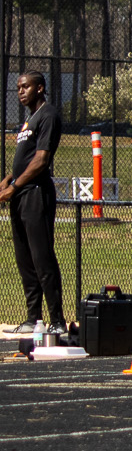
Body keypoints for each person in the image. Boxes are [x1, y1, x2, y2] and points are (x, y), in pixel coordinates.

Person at [0, 72, 63, 334]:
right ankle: (33, 319)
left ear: (39, 88)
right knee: (24, 259)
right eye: (18, 88)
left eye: (25, 87)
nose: (20, 91)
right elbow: (25, 160)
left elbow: (41, 160)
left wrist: (14, 187)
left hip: (36, 193)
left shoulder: (48, 115)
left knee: (42, 258)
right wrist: (9, 179)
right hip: (20, 195)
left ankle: (57, 321)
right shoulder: (29, 120)